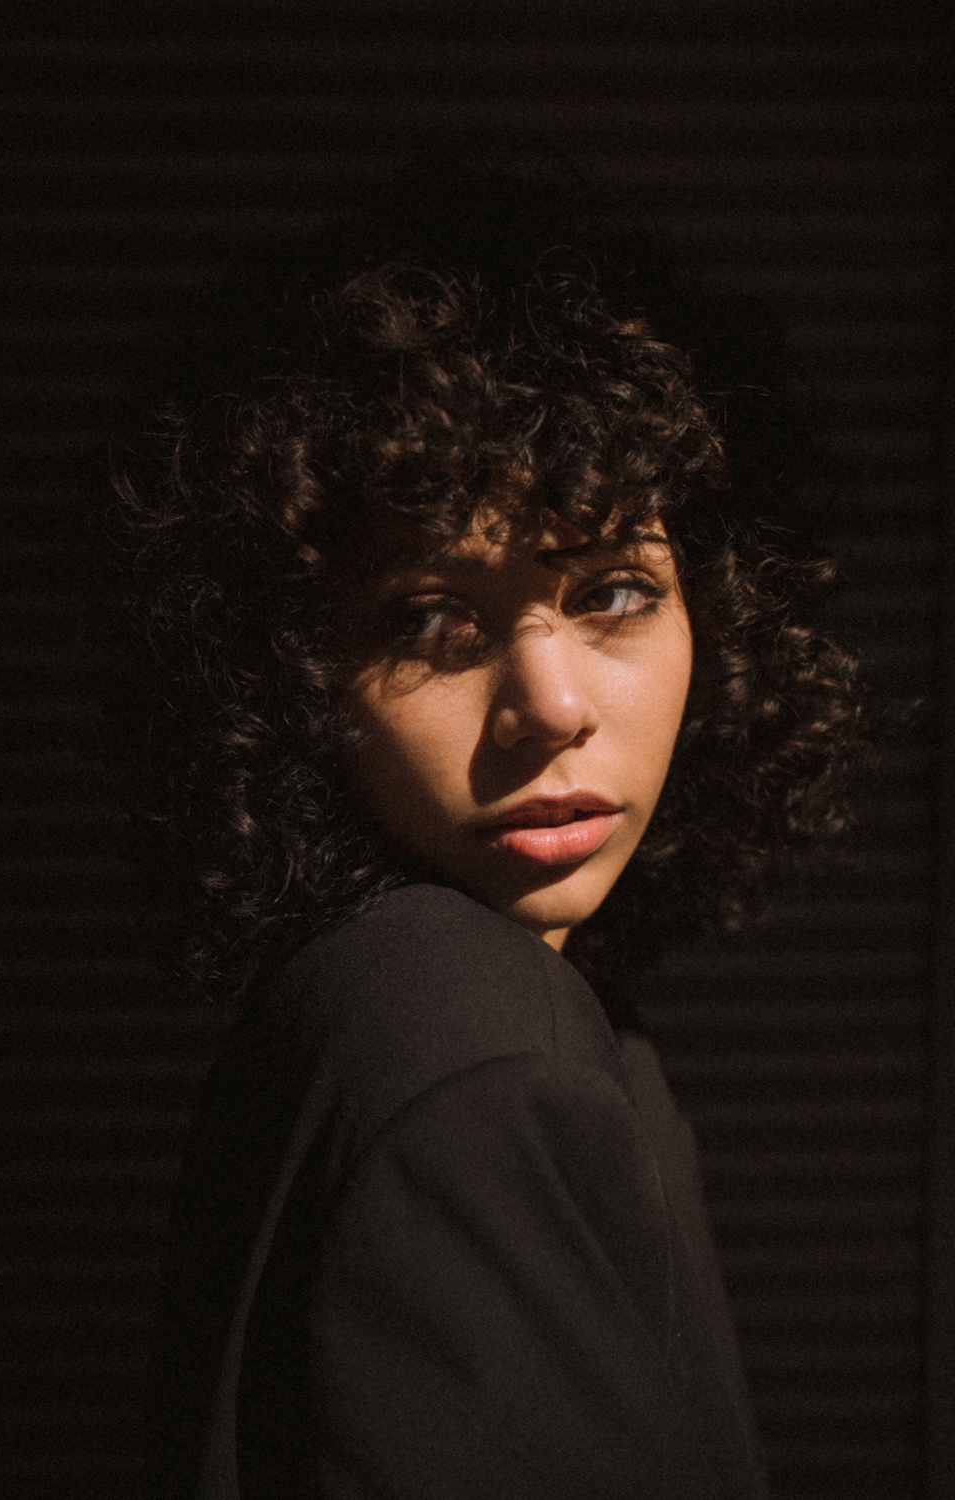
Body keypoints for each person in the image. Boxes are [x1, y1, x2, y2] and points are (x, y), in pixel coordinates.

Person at [103, 166, 862, 1499]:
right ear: (292, 673)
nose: (552, 707)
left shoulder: (409, 996)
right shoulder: (476, 1051)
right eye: (435, 620)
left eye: (615, 592)